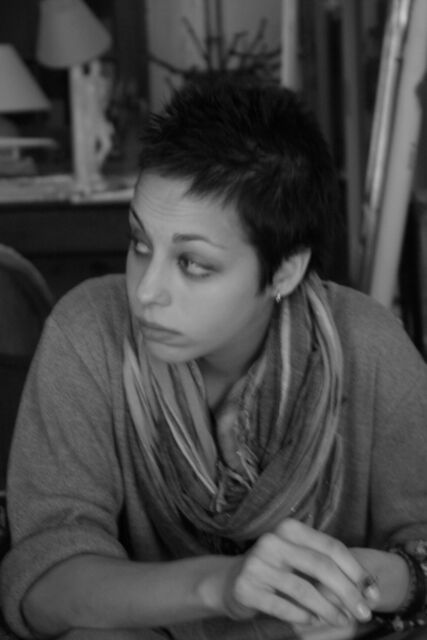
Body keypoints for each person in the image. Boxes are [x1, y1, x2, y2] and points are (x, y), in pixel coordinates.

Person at [1, 79, 427, 640]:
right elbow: (41, 584)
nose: (146, 292)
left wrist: (366, 583)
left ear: (285, 270)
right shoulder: (87, 333)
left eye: (194, 265)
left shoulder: (367, 345)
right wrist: (221, 586)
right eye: (139, 244)